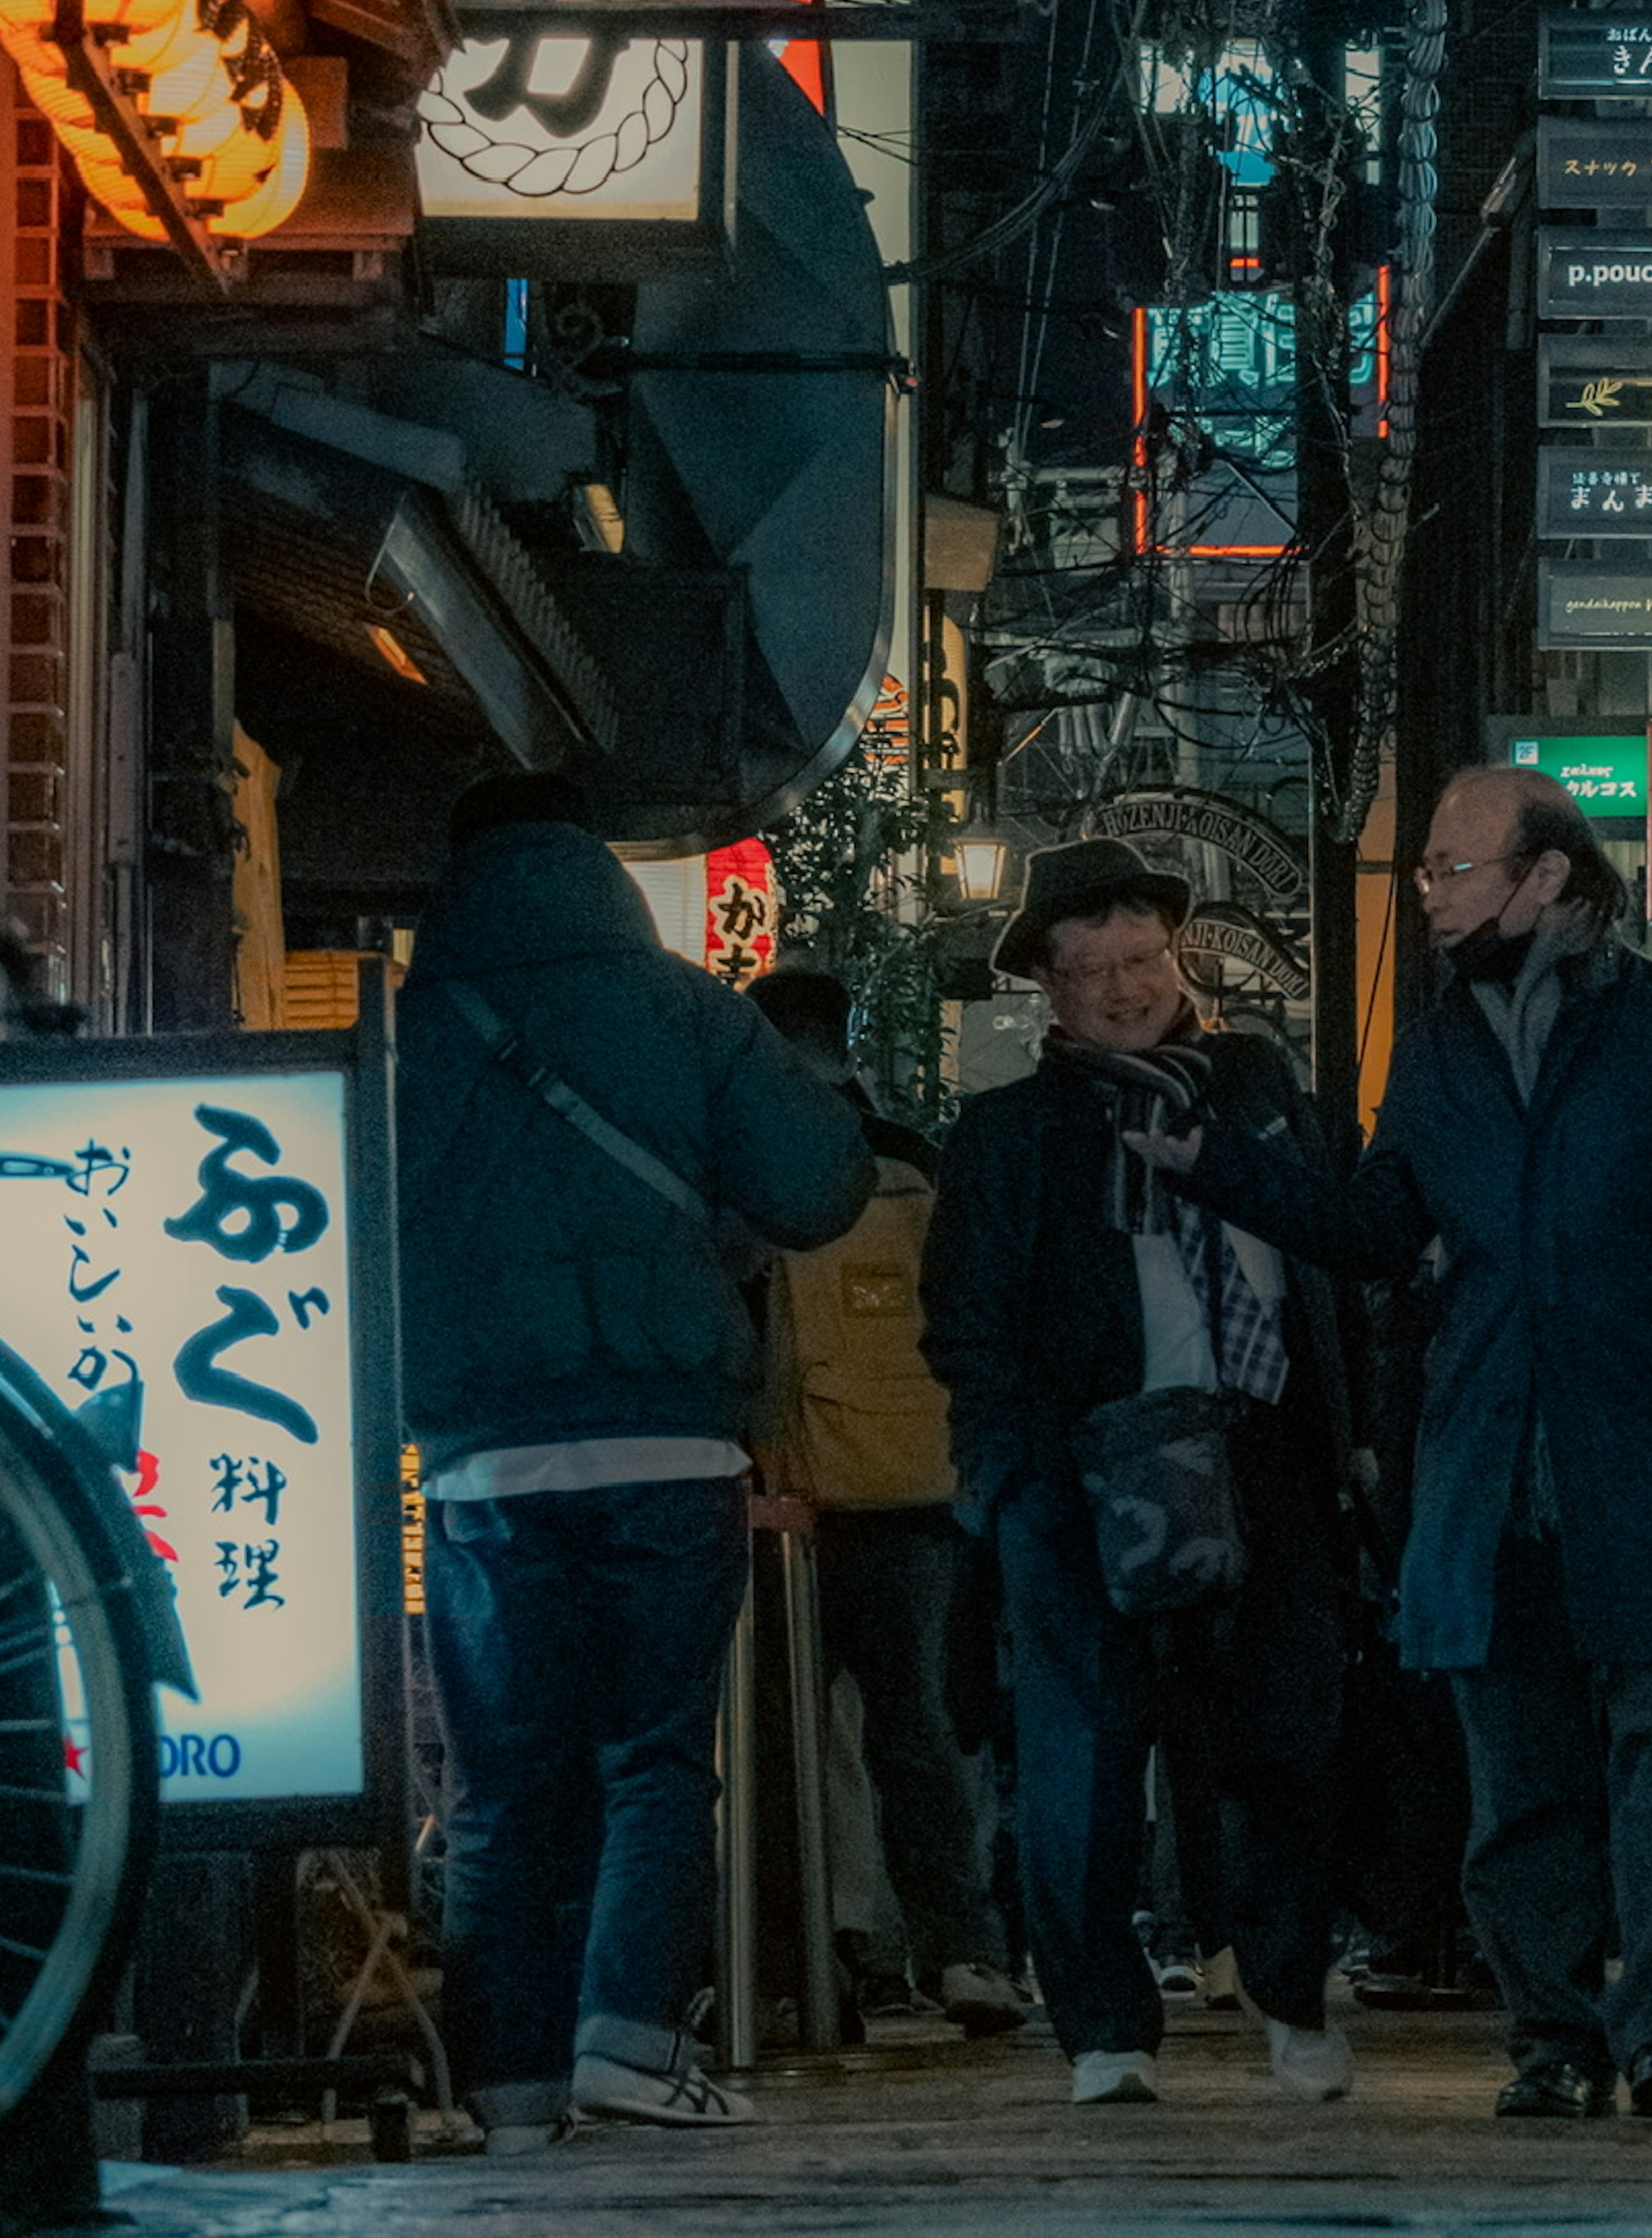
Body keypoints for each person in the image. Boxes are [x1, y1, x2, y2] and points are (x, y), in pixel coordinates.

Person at [1148, 767, 1652, 2124]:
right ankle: (1555, 2038)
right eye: (1432, 873)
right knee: (1520, 1781)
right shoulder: (1444, 1041)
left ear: (1550, 880)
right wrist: (1220, 1166)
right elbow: (1379, 1226)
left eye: (1457, 868)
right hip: (1487, 1467)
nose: (1436, 893)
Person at [396, 769, 873, 2148]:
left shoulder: (412, 1025)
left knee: (498, 1787)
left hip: (483, 1459)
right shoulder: (687, 1007)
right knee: (655, 1760)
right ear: (598, 865)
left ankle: (509, 2090)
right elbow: (819, 1185)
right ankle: (631, 2039)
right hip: (668, 1445)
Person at [920, 838, 1358, 2109]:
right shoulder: (1008, 1135)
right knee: (1084, 1756)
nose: (1126, 988)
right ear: (1048, 991)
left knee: (1289, 1739)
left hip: (1263, 1444)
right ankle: (1103, 2026)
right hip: (1083, 1467)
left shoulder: (1260, 1090)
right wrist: (1009, 1481)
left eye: (1145, 958)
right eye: (1093, 968)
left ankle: (1287, 1988)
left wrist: (1356, 1437)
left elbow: (1332, 1257)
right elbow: (969, 1327)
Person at [745, 963, 1028, 2040]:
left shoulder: (754, 1167)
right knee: (923, 1739)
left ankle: (803, 1969)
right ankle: (966, 1956)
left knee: (785, 1748)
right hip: (919, 1490)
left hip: (785, 1505)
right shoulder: (917, 1163)